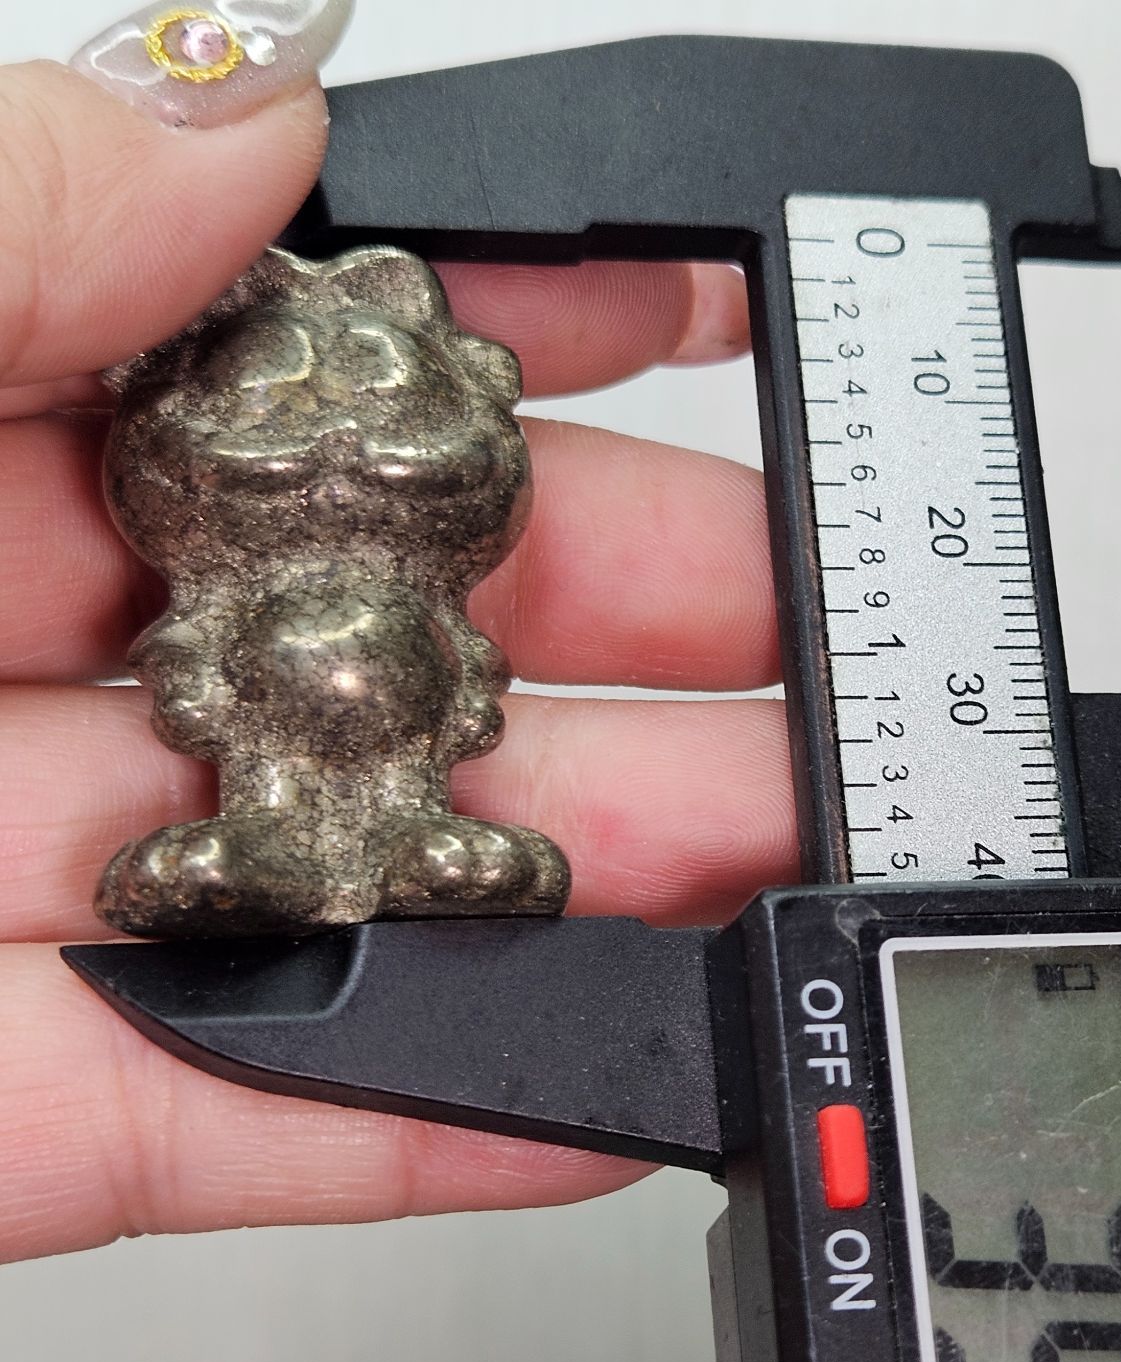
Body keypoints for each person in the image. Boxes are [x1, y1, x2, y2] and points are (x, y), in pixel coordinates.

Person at [0, 9, 794, 1265]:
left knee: (406, 706)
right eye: (275, 410)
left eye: (381, 408)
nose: (333, 437)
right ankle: (262, 836)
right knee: (267, 725)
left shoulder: (434, 568)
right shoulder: (207, 553)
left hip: (418, 694)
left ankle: (416, 830)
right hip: (248, 701)